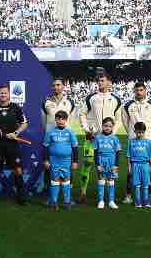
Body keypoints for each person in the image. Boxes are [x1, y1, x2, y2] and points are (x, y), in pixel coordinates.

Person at [0, 83, 28, 206]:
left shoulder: (16, 108)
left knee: (18, 170)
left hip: (12, 144)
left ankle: (21, 195)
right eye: (1, 93)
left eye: (5, 93)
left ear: (9, 94)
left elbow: (24, 123)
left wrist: (16, 133)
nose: (3, 95)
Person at [80, 72, 122, 203]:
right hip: (92, 138)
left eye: (102, 81)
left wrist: (113, 132)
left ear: (109, 82)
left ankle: (106, 197)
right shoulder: (91, 98)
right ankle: (83, 192)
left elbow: (119, 118)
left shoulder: (116, 99)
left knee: (107, 166)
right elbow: (82, 114)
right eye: (98, 81)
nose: (100, 83)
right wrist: (87, 129)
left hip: (108, 140)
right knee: (87, 164)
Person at [122, 82, 151, 205]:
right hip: (133, 142)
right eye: (137, 90)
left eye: (141, 90)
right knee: (131, 170)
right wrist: (132, 135)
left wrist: (147, 134)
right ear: (134, 91)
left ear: (145, 91)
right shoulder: (128, 105)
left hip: (149, 141)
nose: (139, 92)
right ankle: (128, 195)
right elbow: (125, 121)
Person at [41, 79, 75, 207]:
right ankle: (49, 197)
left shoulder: (70, 101)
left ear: (63, 86)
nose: (56, 87)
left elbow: (70, 120)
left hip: (66, 141)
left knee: (68, 169)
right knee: (48, 168)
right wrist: (50, 133)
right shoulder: (46, 101)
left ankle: (68, 197)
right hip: (51, 140)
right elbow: (43, 120)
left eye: (58, 84)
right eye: (54, 85)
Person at [42, 110, 79, 211]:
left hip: (66, 161)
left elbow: (75, 147)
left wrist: (75, 161)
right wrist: (45, 160)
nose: (60, 121)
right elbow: (45, 146)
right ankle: (54, 202)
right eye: (58, 119)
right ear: (55, 120)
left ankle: (67, 202)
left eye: (62, 119)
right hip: (54, 160)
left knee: (66, 180)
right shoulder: (50, 132)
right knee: (55, 180)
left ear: (66, 120)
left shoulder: (70, 132)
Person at [92, 117, 122, 209]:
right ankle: (101, 201)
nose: (107, 128)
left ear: (112, 127)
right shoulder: (97, 137)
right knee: (101, 179)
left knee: (111, 180)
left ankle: (111, 201)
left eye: (110, 126)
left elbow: (117, 152)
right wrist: (97, 164)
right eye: (105, 126)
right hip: (101, 160)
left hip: (111, 161)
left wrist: (116, 165)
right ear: (102, 126)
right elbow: (96, 152)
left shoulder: (115, 138)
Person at [127, 122, 151, 209]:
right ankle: (137, 202)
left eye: (142, 132)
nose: (140, 134)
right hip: (135, 165)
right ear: (134, 131)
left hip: (145, 165)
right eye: (138, 132)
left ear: (145, 132)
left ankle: (146, 202)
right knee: (137, 184)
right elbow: (128, 155)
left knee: (146, 184)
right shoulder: (131, 142)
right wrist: (129, 166)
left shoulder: (148, 142)